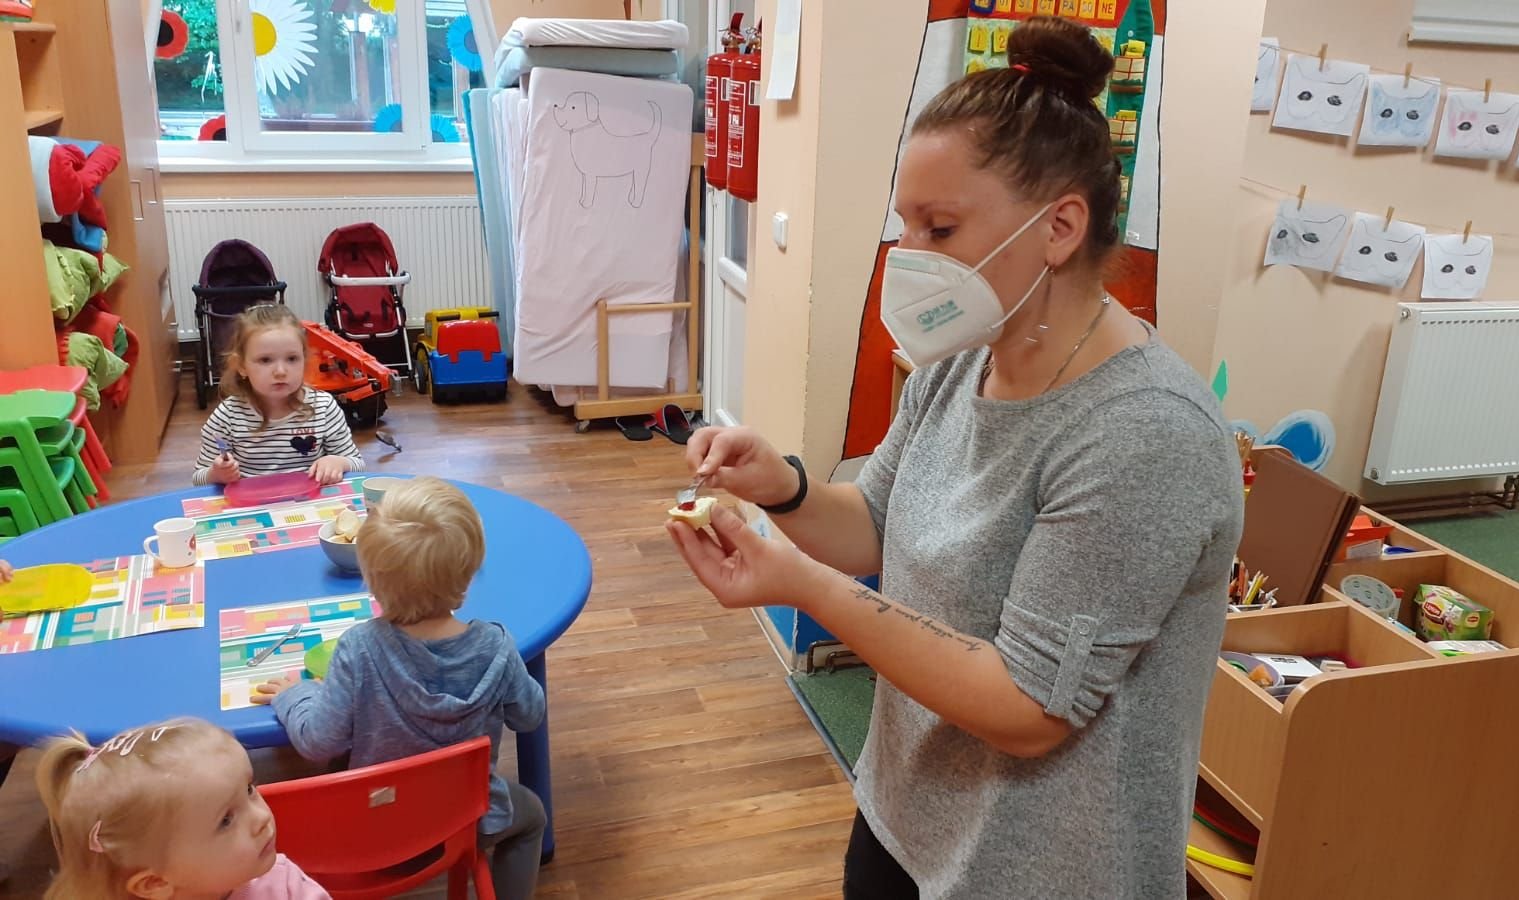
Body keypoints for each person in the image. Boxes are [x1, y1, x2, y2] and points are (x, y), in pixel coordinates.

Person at [666, 16, 1244, 900]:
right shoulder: (963, 360)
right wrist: (782, 487)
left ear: (1059, 227)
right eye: (906, 226)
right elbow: (876, 523)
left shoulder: (1145, 434)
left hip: (1039, 874)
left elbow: (1029, 709)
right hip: (905, 818)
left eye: (939, 228)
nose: (910, 258)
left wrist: (804, 587)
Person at [251, 476, 547, 899]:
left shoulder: (359, 648)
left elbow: (318, 742)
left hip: (374, 829)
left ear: (371, 579)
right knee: (532, 816)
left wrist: (293, 694)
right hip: (464, 823)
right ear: (468, 574)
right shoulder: (495, 646)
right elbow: (530, 715)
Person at [35, 718, 329, 899]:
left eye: (249, 789)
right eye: (226, 820)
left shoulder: (283, 886)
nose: (262, 817)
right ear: (155, 883)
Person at [191, 304, 363, 487]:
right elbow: (198, 479)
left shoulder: (324, 408)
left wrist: (338, 462)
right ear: (241, 366)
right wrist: (216, 474)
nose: (281, 371)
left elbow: (357, 464)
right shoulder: (227, 417)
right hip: (252, 502)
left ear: (305, 360)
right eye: (265, 360)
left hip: (309, 502)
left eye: (292, 359)